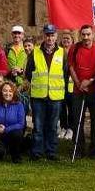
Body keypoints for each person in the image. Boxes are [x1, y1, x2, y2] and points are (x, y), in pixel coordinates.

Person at [25, 24, 67, 161]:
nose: (50, 38)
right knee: (38, 125)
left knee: (53, 126)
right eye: (47, 35)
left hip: (55, 96)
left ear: (56, 36)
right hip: (38, 95)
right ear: (43, 36)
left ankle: (51, 151)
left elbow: (65, 74)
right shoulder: (35, 52)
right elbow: (28, 73)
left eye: (52, 35)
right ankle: (37, 152)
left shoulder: (62, 52)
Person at [68, 25, 95, 158]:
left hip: (94, 90)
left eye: (88, 34)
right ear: (80, 35)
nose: (86, 37)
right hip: (78, 90)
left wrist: (90, 81)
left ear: (93, 34)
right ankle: (78, 149)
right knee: (77, 120)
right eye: (83, 34)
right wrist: (79, 83)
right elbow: (71, 67)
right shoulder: (75, 48)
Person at [0, 80, 26, 163]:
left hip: (12, 134)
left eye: (10, 91)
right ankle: (3, 150)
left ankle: (16, 156)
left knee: (17, 133)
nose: (8, 93)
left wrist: (6, 129)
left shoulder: (19, 105)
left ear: (14, 93)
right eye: (5, 90)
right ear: (1, 92)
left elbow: (21, 124)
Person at [6, 25, 30, 113]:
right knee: (11, 110)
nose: (17, 35)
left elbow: (31, 66)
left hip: (23, 84)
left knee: (23, 110)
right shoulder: (7, 49)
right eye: (15, 33)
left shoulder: (27, 49)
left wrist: (22, 71)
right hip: (11, 84)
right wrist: (10, 71)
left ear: (23, 35)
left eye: (19, 33)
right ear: (12, 35)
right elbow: (5, 65)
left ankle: (23, 126)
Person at [58, 30, 75, 140]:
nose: (66, 40)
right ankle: (63, 127)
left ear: (72, 40)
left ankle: (71, 129)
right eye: (64, 38)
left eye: (68, 38)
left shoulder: (75, 52)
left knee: (72, 107)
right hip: (60, 84)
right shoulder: (58, 52)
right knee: (62, 107)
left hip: (72, 85)